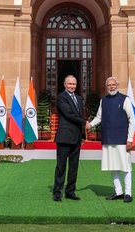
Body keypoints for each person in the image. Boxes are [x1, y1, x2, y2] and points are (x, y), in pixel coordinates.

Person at [86, 76, 135, 203]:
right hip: (108, 138)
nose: (111, 87)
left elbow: (132, 119)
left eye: (113, 84)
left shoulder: (125, 99)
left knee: (126, 167)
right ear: (106, 87)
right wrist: (90, 124)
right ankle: (118, 191)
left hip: (122, 139)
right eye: (109, 85)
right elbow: (99, 117)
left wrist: (130, 139)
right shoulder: (104, 100)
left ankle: (128, 193)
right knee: (113, 166)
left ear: (117, 85)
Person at [52, 74, 85, 202]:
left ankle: (70, 191)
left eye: (74, 84)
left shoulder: (79, 98)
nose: (72, 86)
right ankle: (57, 192)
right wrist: (84, 122)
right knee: (61, 166)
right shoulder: (61, 97)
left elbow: (79, 114)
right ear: (65, 85)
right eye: (70, 84)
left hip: (76, 138)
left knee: (74, 166)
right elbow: (69, 114)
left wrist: (82, 135)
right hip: (64, 137)